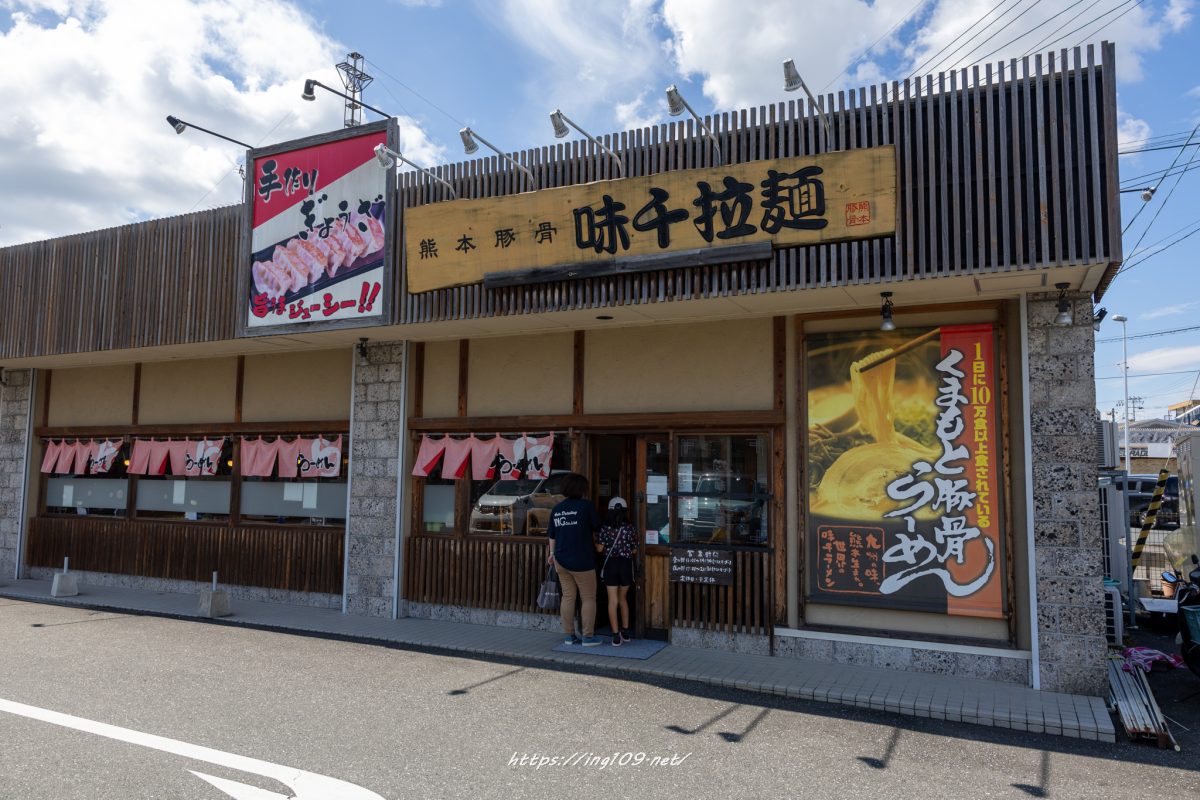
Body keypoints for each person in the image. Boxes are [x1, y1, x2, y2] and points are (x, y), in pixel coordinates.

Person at [547, 473, 602, 646]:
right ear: (582, 489)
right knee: (588, 598)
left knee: (568, 597)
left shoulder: (557, 509)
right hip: (582, 559)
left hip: (561, 559)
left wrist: (552, 554)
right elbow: (597, 527)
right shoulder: (586, 507)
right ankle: (588, 636)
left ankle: (569, 636)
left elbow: (552, 535)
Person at [597, 497, 637, 646]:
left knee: (612, 600)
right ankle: (625, 632)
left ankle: (615, 636)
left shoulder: (604, 528)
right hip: (626, 565)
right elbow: (634, 550)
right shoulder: (630, 528)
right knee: (623, 599)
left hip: (610, 565)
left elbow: (600, 549)